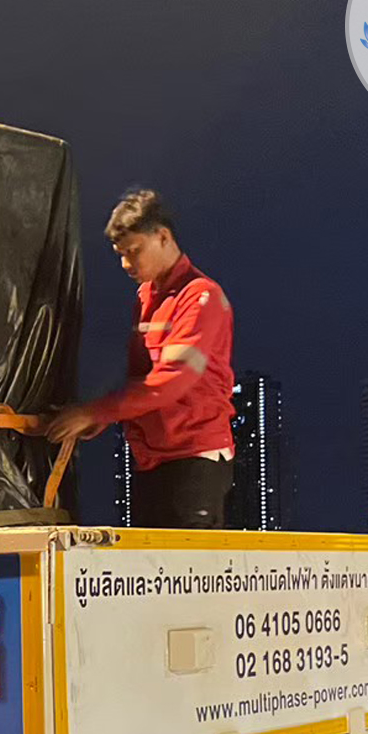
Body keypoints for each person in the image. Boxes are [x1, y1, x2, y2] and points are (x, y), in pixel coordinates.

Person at [48, 189, 236, 528]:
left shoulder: (201, 297)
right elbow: (141, 378)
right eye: (121, 254)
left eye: (134, 251)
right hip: (153, 458)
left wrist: (96, 411)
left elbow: (170, 382)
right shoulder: (147, 296)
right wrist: (106, 417)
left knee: (182, 560)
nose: (126, 264)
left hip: (194, 460)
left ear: (163, 237)